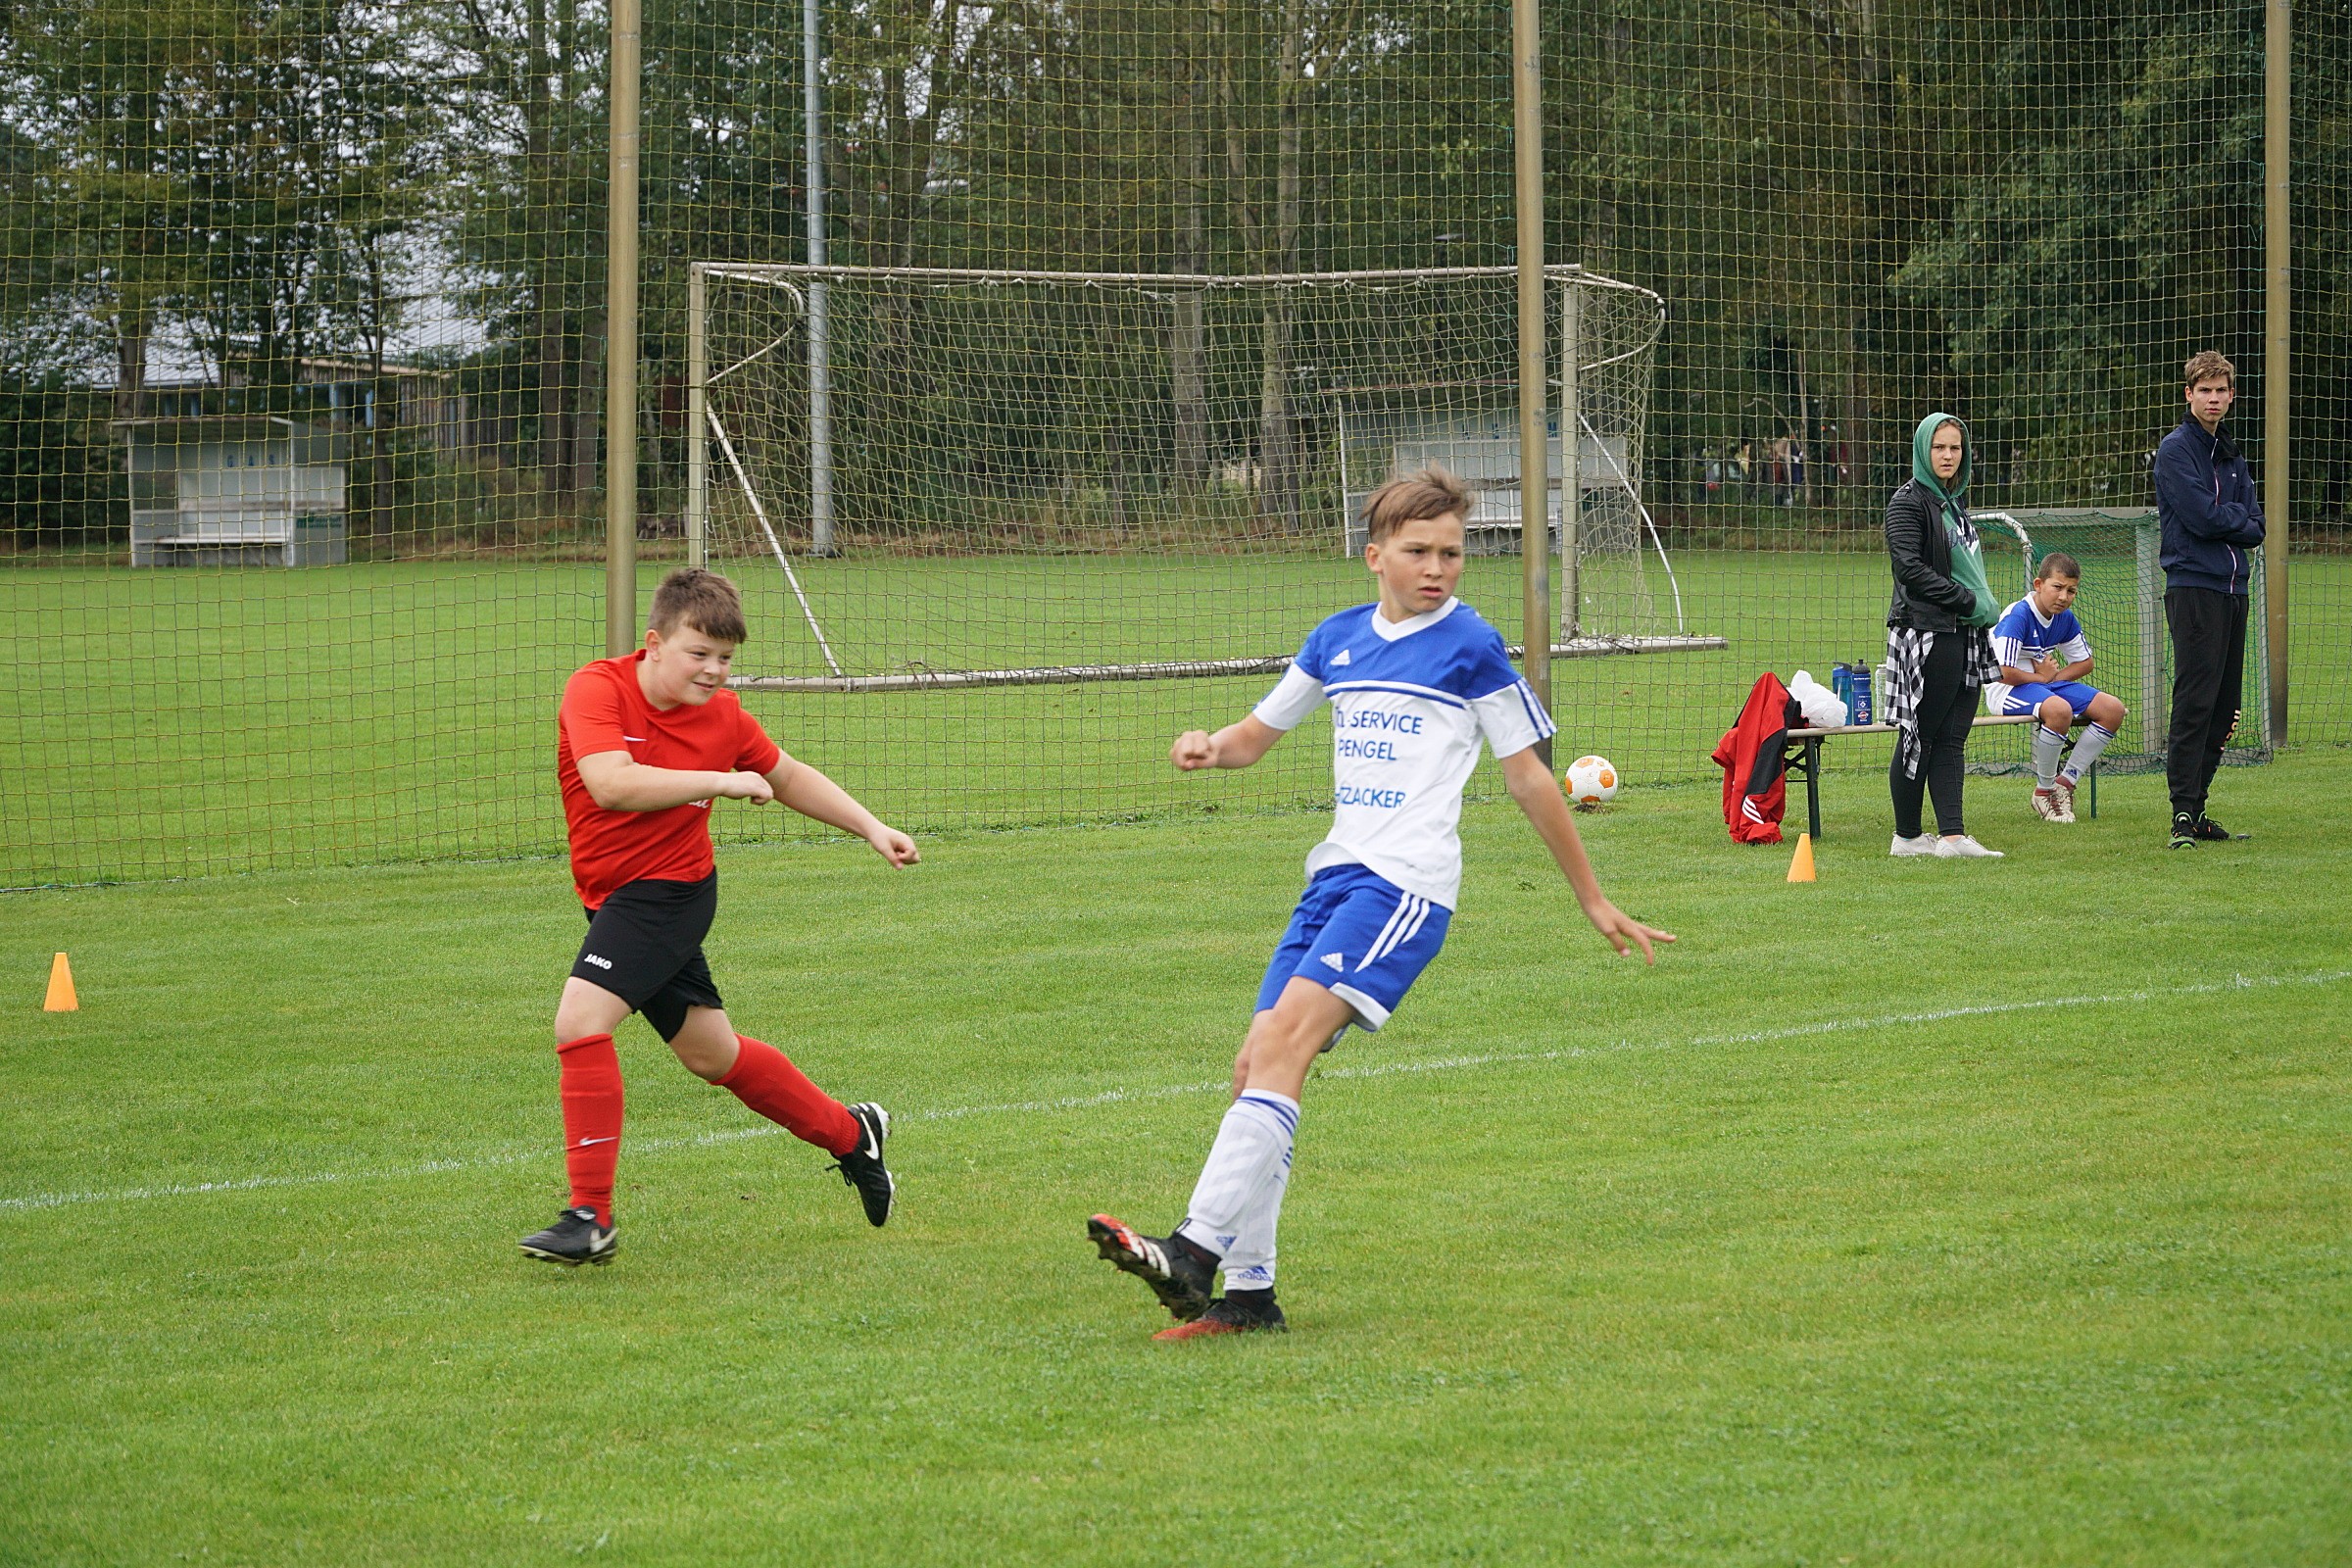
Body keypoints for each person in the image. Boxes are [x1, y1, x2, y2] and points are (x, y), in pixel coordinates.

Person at [1083, 466, 1674, 1339]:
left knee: (1284, 1044)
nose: (1438, 568)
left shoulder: (1472, 645)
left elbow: (1528, 778)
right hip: (1333, 879)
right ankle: (1250, 1299)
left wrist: (1592, 897)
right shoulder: (1335, 640)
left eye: (1453, 554)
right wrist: (1207, 745)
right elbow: (1254, 738)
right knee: (1256, 1065)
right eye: (1419, 551)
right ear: (1375, 557)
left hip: (1405, 886)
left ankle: (1194, 1249)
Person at [518, 567, 918, 1266]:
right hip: (611, 894)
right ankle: (852, 1134)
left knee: (579, 1023)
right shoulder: (597, 689)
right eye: (698, 653)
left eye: (726, 658)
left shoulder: (725, 716)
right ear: (654, 643)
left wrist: (871, 827)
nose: (713, 670)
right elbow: (610, 784)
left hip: (667, 895)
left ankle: (590, 1217)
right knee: (712, 1054)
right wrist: (720, 780)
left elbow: (788, 775)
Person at [2154, 350, 2264, 849]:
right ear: (2189, 394)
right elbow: (2200, 518)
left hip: (2234, 590)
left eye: (2221, 390)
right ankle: (2181, 812)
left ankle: (2198, 807)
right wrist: (2234, 520)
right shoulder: (2176, 450)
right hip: (2194, 587)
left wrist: (2232, 520)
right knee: (2195, 702)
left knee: (2225, 708)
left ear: (2232, 395)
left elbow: (2257, 527)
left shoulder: (2233, 455)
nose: (2213, 398)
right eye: (2205, 390)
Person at [1883, 412, 2005, 858]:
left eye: (1955, 447)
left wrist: (1976, 608)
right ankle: (1907, 837)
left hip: (1965, 633)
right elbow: (1909, 570)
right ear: (1923, 450)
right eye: (1939, 447)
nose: (1948, 455)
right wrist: (1967, 601)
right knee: (1920, 735)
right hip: (1928, 632)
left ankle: (1952, 837)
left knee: (1952, 736)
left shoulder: (1953, 504)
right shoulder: (1907, 503)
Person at [1986, 552, 2126, 823]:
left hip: (2042, 685)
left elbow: (2085, 662)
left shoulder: (2064, 617)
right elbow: (2000, 672)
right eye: (2057, 587)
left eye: (2071, 591)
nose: (2063, 596)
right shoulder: (2019, 615)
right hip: (2006, 690)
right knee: (2060, 710)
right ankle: (2044, 791)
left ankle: (2066, 783)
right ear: (2039, 585)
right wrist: (2042, 679)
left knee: (2113, 709)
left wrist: (2051, 678)